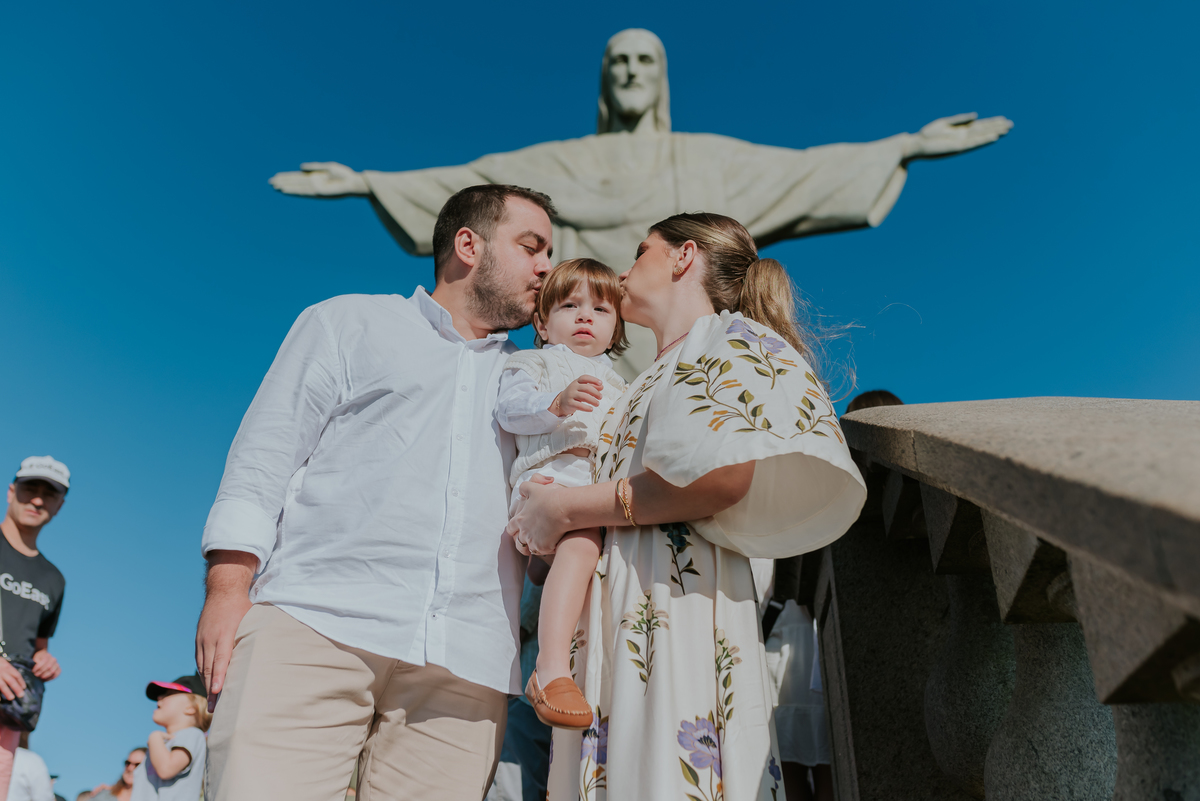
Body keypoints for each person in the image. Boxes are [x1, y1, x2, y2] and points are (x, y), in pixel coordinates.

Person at [195, 184, 557, 800]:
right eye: (532, 247)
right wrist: (228, 589)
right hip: (313, 628)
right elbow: (263, 458)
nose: (547, 268)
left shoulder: (533, 380)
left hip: (467, 670)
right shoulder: (347, 321)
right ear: (467, 245)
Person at [506, 213, 868, 800]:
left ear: (682, 257)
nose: (626, 269)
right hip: (625, 614)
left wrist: (568, 509)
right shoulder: (643, 377)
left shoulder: (723, 339)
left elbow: (720, 481)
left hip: (676, 609)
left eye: (642, 250)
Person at [495, 258, 629, 729]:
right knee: (581, 545)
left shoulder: (622, 385)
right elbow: (510, 408)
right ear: (542, 323)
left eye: (601, 309)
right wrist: (553, 405)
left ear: (616, 329)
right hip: (545, 485)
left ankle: (576, 660)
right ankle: (550, 668)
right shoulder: (535, 361)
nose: (585, 317)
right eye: (570, 306)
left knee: (584, 555)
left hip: (589, 494)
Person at [0, 458, 68, 801]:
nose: (38, 500)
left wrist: (46, 659)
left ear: (60, 505)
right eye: (30, 489)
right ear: (12, 491)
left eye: (49, 493)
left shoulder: (53, 579)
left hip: (7, 713)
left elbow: (39, 644)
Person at [129, 675, 209, 801]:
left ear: (191, 708)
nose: (159, 698)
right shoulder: (164, 743)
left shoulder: (192, 734)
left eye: (169, 694)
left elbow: (166, 769)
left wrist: (154, 737)